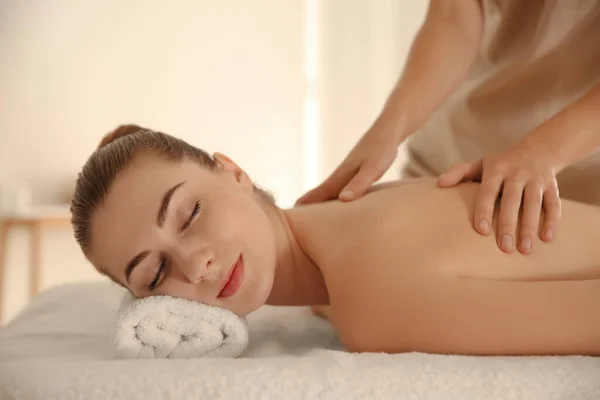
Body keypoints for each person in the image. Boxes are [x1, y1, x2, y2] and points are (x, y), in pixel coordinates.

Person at [71, 124, 600, 356]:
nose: (196, 265)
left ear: (233, 172)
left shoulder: (370, 302)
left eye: (189, 214)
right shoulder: (339, 227)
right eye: (155, 274)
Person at [297, 0, 600, 256]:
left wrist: (542, 152)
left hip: (583, 179)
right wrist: (387, 131)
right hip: (454, 161)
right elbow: (453, 19)